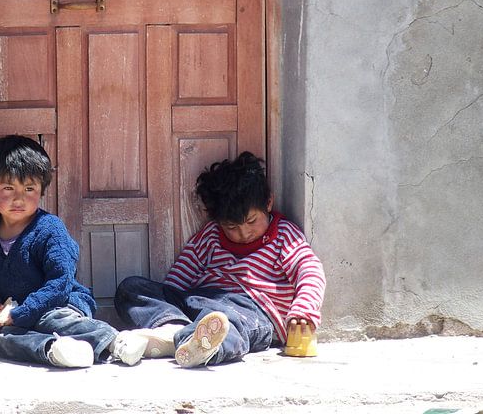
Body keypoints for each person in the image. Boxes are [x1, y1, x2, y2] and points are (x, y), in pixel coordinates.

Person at [114, 151, 326, 368]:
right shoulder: (211, 235)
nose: (244, 233)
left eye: (251, 221)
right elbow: (180, 277)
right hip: (200, 302)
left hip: (249, 312)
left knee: (227, 324)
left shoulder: (283, 235)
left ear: (269, 202)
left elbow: (309, 270)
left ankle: (202, 347)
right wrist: (168, 304)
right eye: (231, 227)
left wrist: (303, 309)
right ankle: (173, 329)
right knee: (131, 288)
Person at [0, 135, 148, 368]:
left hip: (61, 303)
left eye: (29, 188)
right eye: (8, 187)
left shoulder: (49, 228)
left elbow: (60, 283)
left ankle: (116, 341)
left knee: (51, 320)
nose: (18, 198)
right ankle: (56, 350)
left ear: (42, 190)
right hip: (18, 313)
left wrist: (24, 311)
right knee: (0, 339)